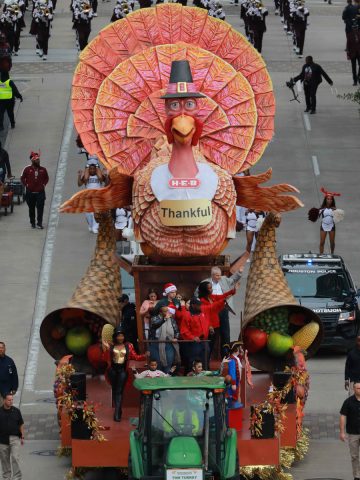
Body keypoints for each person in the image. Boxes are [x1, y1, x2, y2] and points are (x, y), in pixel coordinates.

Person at [102, 326, 147, 421]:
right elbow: (104, 358)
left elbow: (135, 357)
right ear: (115, 337)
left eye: (122, 335)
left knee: (119, 391)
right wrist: (106, 349)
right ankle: (119, 410)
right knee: (115, 390)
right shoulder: (111, 346)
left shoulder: (129, 345)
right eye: (118, 336)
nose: (120, 338)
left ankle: (117, 413)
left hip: (122, 370)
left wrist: (145, 356)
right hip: (112, 370)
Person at [199, 267, 242, 357]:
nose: (211, 289)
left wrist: (233, 290)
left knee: (224, 334)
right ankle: (206, 362)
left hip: (219, 317)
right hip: (210, 322)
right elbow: (212, 306)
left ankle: (225, 356)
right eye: (210, 288)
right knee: (210, 342)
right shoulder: (203, 298)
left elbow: (222, 296)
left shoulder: (212, 296)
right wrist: (222, 301)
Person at [21, 151, 49, 229]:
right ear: (32, 160)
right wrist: (26, 185)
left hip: (40, 192)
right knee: (31, 208)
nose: (38, 161)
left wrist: (44, 184)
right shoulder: (27, 169)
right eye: (37, 159)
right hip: (30, 193)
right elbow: (22, 178)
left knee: (40, 208)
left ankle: (39, 223)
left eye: (39, 159)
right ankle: (32, 222)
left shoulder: (43, 169)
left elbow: (47, 178)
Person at [149, 306, 180, 374]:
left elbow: (177, 331)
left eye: (168, 311)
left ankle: (167, 381)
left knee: (168, 364)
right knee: (157, 364)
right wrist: (164, 319)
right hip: (156, 343)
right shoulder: (154, 318)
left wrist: (176, 338)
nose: (167, 313)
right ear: (160, 312)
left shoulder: (171, 319)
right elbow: (155, 325)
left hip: (169, 343)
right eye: (165, 311)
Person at [0, 393, 24, 480]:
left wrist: (22, 436)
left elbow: (21, 424)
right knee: (5, 461)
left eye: (12, 400)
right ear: (4, 400)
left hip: (15, 438)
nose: (11, 402)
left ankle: (17, 477)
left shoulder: (16, 411)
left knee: (15, 457)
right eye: (9, 400)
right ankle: (6, 477)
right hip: (2, 440)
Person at [77, 159, 105, 233]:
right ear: (88, 170)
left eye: (94, 169)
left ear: (96, 169)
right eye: (90, 169)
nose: (92, 170)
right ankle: (90, 224)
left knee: (95, 212)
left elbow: (105, 181)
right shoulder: (86, 177)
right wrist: (79, 176)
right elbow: (79, 184)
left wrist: (106, 175)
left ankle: (95, 227)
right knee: (88, 214)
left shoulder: (99, 176)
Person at [340, 382, 360, 479]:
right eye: (358, 388)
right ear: (353, 389)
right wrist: (342, 432)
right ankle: (357, 476)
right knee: (354, 456)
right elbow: (343, 416)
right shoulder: (348, 402)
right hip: (353, 433)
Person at [0, 342, 18, 408]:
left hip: (7, 390)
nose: (0, 349)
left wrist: (14, 388)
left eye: (2, 347)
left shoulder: (9, 361)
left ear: (5, 349)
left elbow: (14, 375)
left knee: (6, 408)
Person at [346, 21, 360, 86]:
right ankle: (355, 81)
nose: (355, 29)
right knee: (353, 68)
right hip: (353, 53)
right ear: (352, 28)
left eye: (356, 27)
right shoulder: (349, 35)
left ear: (357, 28)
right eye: (354, 28)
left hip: (359, 53)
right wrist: (348, 55)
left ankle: (358, 76)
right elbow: (348, 45)